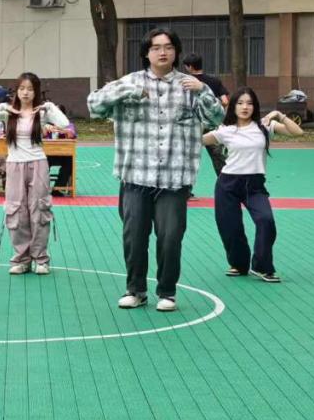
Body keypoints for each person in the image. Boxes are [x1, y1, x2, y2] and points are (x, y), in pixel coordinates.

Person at [87, 28, 224, 312]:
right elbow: (94, 106)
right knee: (134, 238)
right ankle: (135, 290)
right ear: (146, 53)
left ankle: (167, 292)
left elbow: (216, 118)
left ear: (176, 52)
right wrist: (129, 91)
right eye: (156, 47)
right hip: (135, 176)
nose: (163, 52)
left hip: (174, 178)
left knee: (171, 237)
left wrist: (203, 91)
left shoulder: (190, 86)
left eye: (169, 47)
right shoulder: (130, 81)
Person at [204, 87, 303, 282]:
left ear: (255, 107)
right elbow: (197, 141)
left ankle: (261, 266)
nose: (245, 107)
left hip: (255, 185)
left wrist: (278, 115)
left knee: (266, 221)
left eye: (249, 103)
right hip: (228, 184)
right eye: (240, 103)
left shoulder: (264, 127)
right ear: (233, 107)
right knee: (231, 229)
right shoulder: (225, 130)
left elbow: (297, 132)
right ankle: (238, 264)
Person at [0, 72, 70, 275]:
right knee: (16, 210)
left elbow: (64, 124)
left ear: (36, 91)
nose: (25, 93)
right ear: (16, 91)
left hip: (38, 163)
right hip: (14, 164)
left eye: (30, 89)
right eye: (21, 89)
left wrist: (49, 106)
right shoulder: (8, 112)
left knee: (39, 210)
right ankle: (21, 258)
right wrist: (2, 107)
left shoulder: (41, 113)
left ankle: (41, 259)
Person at [183, 53, 230, 198]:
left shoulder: (185, 82)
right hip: (211, 126)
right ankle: (228, 189)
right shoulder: (214, 81)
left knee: (188, 159)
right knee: (219, 158)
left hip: (191, 126)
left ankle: (185, 192)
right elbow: (225, 101)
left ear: (189, 67)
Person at [44, 104, 77, 196]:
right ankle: (42, 188)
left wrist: (61, 129)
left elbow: (71, 134)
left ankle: (57, 189)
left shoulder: (68, 125)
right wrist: (45, 129)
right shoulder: (46, 124)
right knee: (41, 164)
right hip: (48, 154)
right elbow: (41, 135)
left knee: (69, 164)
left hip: (63, 155)